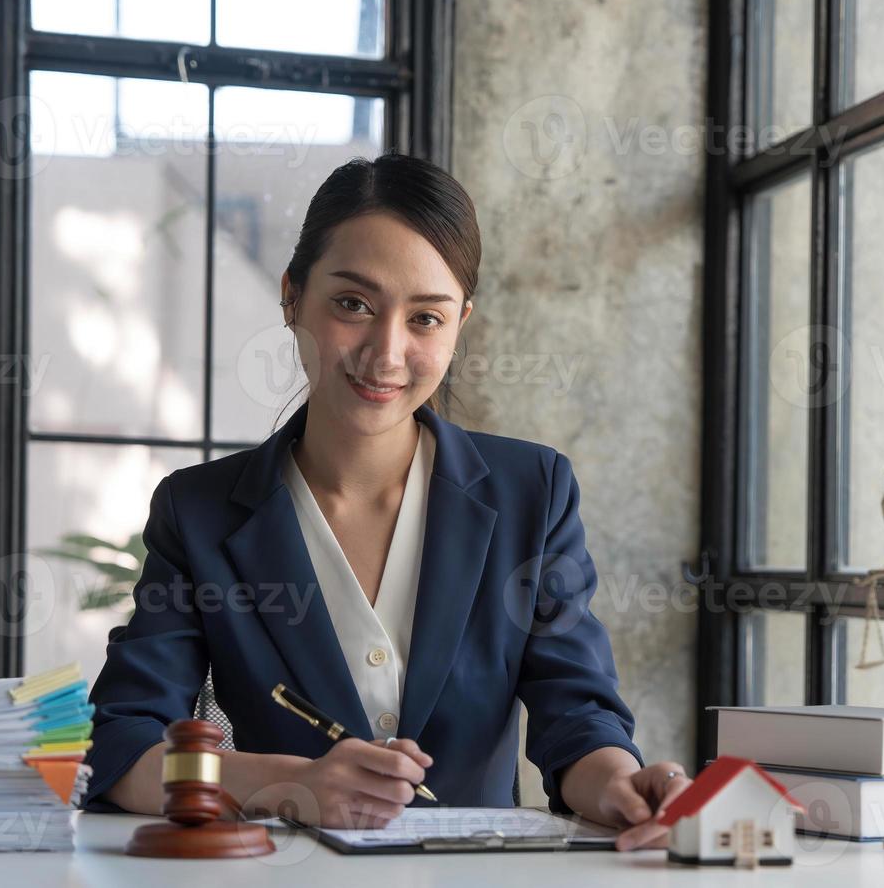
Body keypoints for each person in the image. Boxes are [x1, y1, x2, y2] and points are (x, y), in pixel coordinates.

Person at [81, 153, 688, 851]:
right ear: (291, 297)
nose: (386, 351)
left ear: (460, 323)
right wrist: (284, 781)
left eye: (425, 318)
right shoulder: (200, 511)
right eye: (352, 305)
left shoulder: (534, 492)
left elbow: (577, 715)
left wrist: (616, 781)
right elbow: (120, 748)